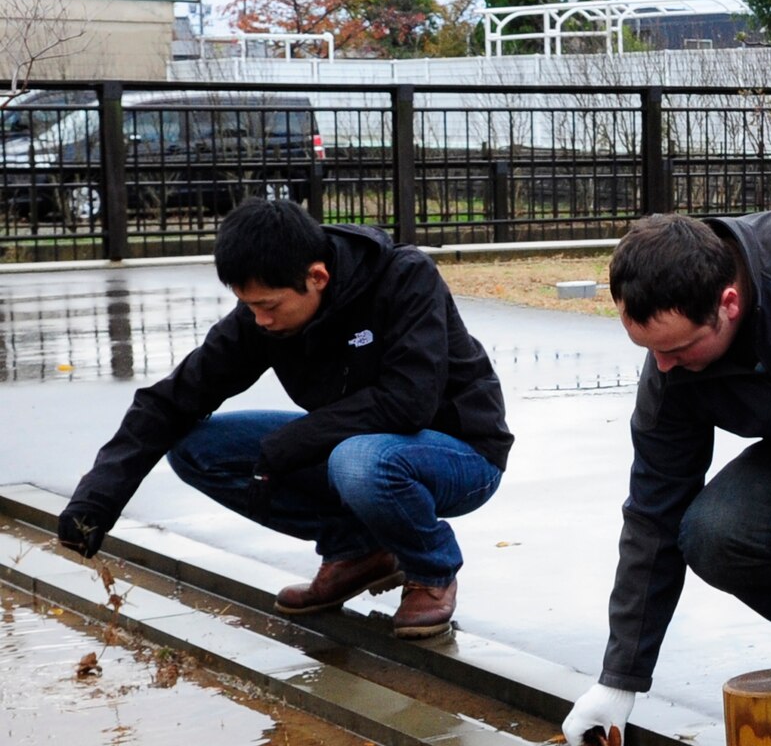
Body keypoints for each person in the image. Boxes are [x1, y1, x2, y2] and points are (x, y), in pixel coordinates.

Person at [56, 198, 511, 639]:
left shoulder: (404, 276)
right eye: (249, 306)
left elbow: (409, 401)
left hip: (460, 453)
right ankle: (358, 552)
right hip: (359, 450)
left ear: (317, 276)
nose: (260, 320)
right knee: (197, 450)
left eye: (268, 306)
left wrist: (292, 442)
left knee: (359, 460)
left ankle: (431, 570)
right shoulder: (262, 316)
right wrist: (95, 502)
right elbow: (169, 402)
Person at [559, 207, 771, 746]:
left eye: (677, 349)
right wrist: (619, 679)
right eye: (650, 350)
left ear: (729, 303)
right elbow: (654, 513)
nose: (664, 367)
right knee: (715, 533)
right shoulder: (670, 372)